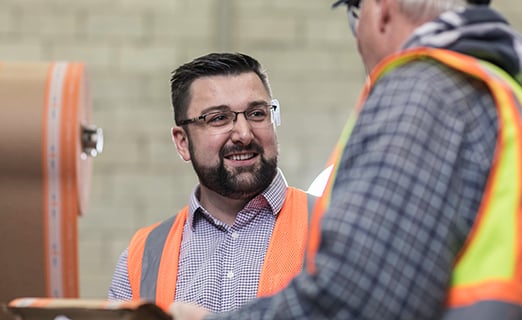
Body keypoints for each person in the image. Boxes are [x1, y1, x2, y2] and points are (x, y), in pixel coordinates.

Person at [169, 0, 522, 319]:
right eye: (218, 118)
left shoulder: (422, 91)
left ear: (382, 11)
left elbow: (360, 297)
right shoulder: (499, 90)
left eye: (356, 12)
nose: (243, 133)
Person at [108, 52, 312, 312]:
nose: (243, 133)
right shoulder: (142, 258)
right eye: (218, 118)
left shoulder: (335, 227)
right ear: (183, 143)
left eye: (257, 113)